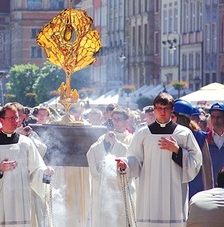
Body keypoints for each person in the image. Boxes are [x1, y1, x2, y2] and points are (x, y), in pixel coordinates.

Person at [115, 92, 202, 227]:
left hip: (175, 190)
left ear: (172, 110)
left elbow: (196, 161)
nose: (162, 112)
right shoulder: (143, 133)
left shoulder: (183, 133)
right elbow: (135, 159)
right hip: (149, 190)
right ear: (154, 109)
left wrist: (177, 151)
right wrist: (125, 164)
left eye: (166, 108)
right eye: (159, 108)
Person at [0, 103, 54, 226]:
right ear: (1, 120)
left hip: (20, 198)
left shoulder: (26, 143)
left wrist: (44, 173)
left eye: (16, 118)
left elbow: (35, 168)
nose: (15, 121)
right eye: (11, 118)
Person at [87, 122, 135, 227]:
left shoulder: (131, 138)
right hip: (104, 186)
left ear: (126, 121)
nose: (117, 123)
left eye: (119, 120)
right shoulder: (101, 139)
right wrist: (104, 142)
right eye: (114, 120)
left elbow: (133, 158)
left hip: (120, 186)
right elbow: (92, 155)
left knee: (121, 215)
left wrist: (116, 143)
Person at [171, 99, 214, 199]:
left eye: (172, 117)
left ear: (181, 118)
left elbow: (206, 168)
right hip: (173, 188)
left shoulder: (200, 137)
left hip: (195, 190)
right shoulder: (167, 136)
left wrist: (208, 194)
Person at [204, 102, 224, 185]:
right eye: (213, 117)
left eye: (219, 117)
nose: (216, 120)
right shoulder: (204, 140)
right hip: (209, 188)